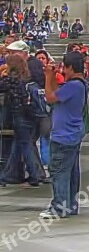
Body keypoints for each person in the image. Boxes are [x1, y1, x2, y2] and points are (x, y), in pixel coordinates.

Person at [40, 51, 87, 219]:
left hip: (64, 135)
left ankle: (59, 206)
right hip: (72, 133)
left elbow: (50, 97)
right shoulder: (78, 85)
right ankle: (70, 204)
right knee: (71, 171)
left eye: (64, 67)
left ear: (71, 67)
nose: (63, 70)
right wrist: (53, 77)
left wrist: (47, 77)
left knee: (59, 171)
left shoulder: (73, 85)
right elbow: (56, 95)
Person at [0, 52, 42, 187]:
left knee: (25, 145)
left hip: (19, 116)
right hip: (31, 116)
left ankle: (34, 174)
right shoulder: (27, 78)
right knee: (18, 146)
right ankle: (7, 175)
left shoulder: (10, 80)